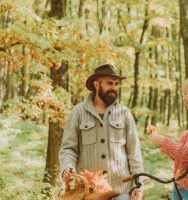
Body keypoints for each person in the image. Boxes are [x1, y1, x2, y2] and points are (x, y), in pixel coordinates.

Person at [59, 64, 144, 200]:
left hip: (121, 191)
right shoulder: (78, 112)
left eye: (116, 84)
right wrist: (67, 167)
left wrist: (139, 185)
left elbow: (134, 152)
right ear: (97, 84)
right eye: (109, 83)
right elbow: (69, 148)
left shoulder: (124, 113)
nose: (114, 88)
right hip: (90, 191)